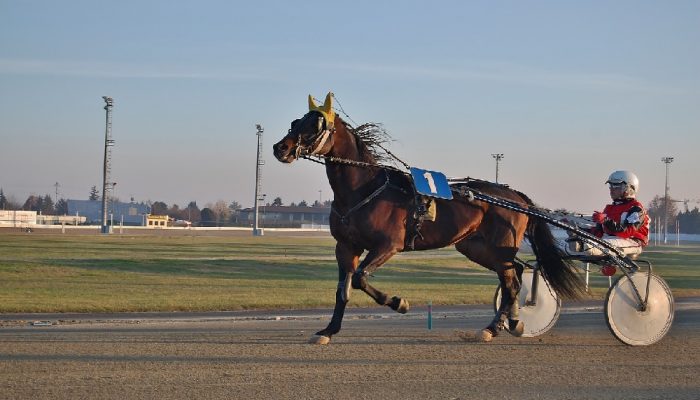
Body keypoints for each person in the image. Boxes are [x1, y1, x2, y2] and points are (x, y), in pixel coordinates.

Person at [569, 170, 650, 257]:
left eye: (616, 186)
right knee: (566, 244)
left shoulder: (636, 209)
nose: (611, 190)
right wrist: (576, 229)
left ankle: (582, 246)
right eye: (610, 186)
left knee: (603, 244)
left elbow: (628, 231)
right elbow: (598, 232)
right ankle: (571, 247)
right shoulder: (609, 209)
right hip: (610, 240)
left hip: (632, 241)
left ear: (629, 188)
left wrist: (605, 220)